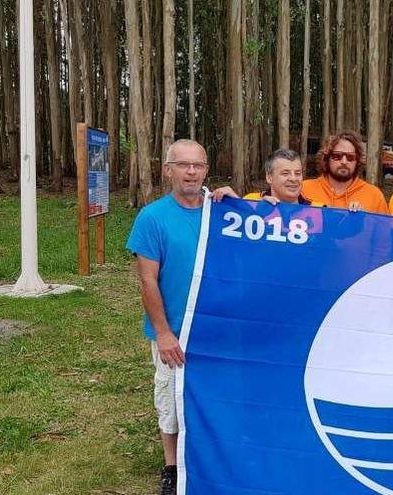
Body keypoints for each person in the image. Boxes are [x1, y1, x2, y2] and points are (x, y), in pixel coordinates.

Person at [125, 139, 209, 495]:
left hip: (214, 330)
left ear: (206, 169)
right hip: (174, 331)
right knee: (171, 399)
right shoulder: (152, 217)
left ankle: (208, 461)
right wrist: (162, 332)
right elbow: (147, 278)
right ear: (168, 170)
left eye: (198, 165)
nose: (191, 171)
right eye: (183, 165)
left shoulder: (221, 212)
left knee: (209, 398)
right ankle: (172, 467)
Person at [302, 130, 389, 213]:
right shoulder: (303, 190)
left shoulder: (374, 196)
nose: (344, 162)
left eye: (350, 157)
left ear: (357, 161)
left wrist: (365, 219)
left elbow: (384, 228)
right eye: (337, 156)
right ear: (326, 158)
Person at [212, 148, 315, 205]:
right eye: (285, 173)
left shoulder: (318, 209)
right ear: (269, 177)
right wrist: (233, 203)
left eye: (298, 173)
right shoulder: (252, 201)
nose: (293, 179)